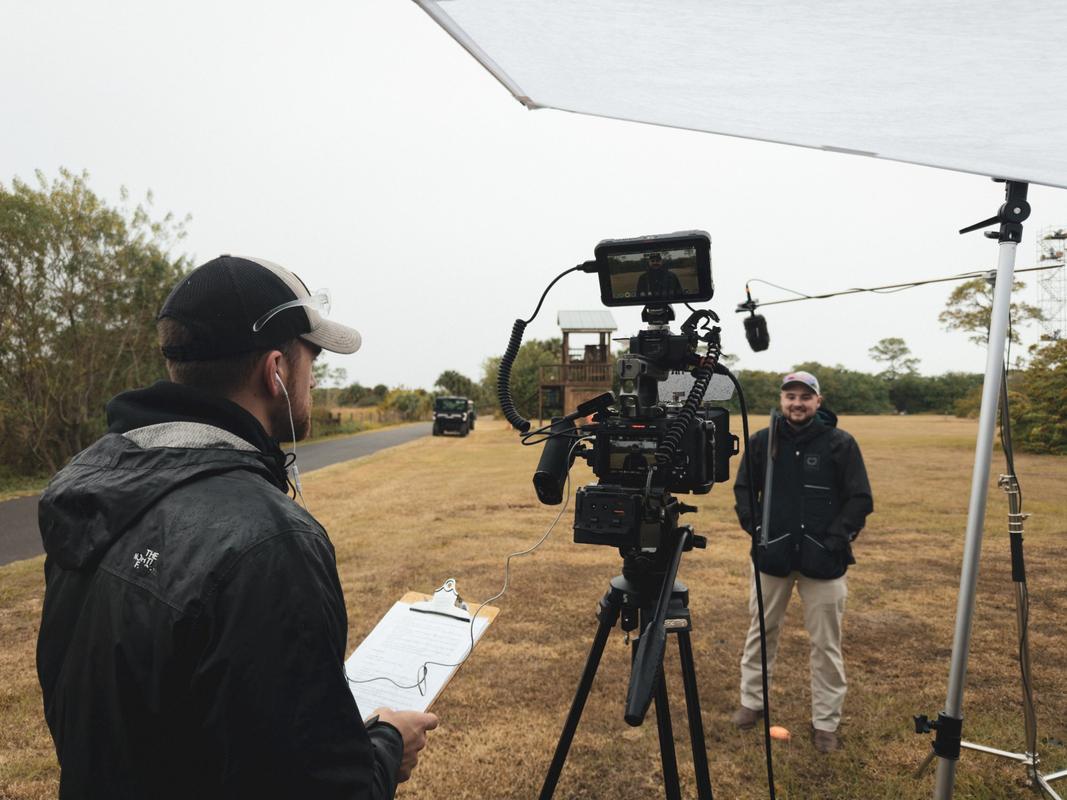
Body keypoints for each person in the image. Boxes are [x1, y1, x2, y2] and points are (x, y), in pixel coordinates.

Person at [36, 255, 438, 798]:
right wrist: (389, 744)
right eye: (310, 359)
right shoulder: (270, 543)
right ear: (275, 370)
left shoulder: (87, 486)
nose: (314, 380)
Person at [729, 370, 873, 753]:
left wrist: (833, 541)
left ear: (817, 402)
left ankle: (826, 723)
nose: (797, 403)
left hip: (823, 563)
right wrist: (758, 531)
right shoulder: (762, 442)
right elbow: (745, 490)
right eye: (790, 396)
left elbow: (859, 499)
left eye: (805, 397)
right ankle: (752, 702)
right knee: (761, 633)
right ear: (781, 401)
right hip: (771, 558)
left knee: (826, 644)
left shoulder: (840, 444)